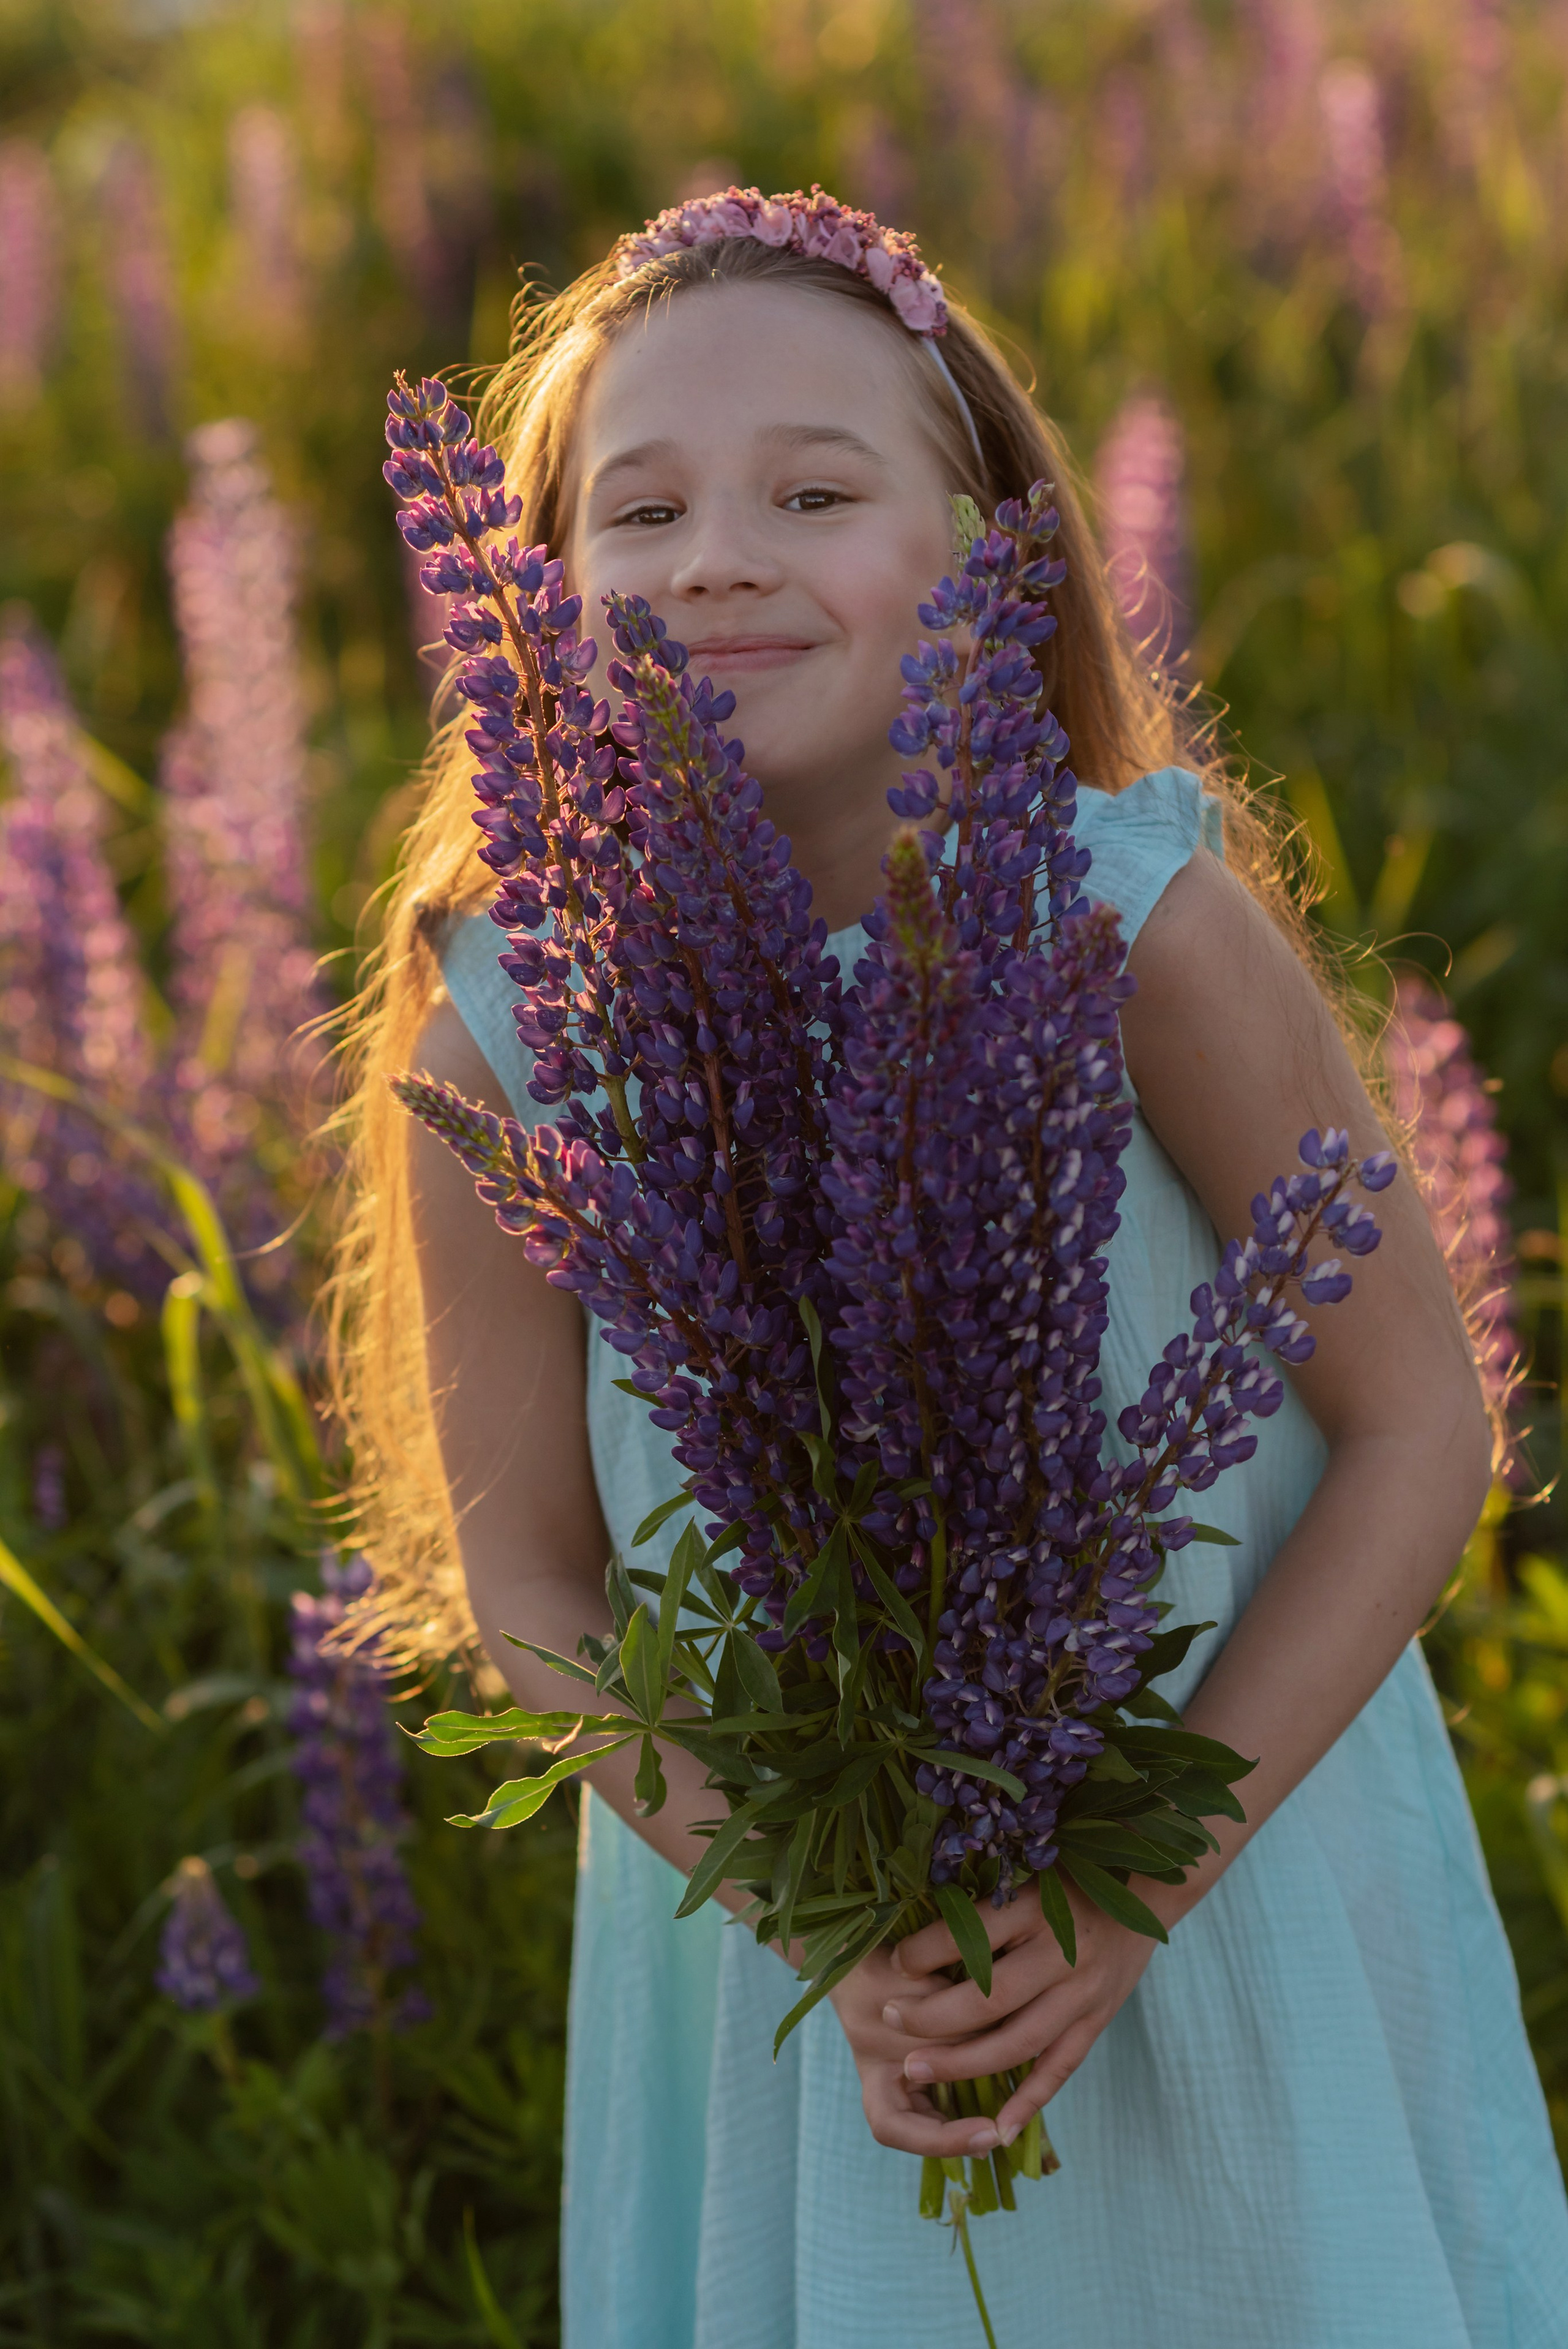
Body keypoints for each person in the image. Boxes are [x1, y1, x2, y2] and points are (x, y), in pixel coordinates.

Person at [331, 188, 1568, 2347]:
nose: (719, 559)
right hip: (802, 1964)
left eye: (814, 493)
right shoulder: (518, 1037)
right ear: (533, 596)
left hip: (1211, 1901)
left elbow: (1417, 1429)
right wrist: (822, 1905)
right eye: (642, 511)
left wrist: (1122, 1895)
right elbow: (526, 1580)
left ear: (994, 546)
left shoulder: (1128, 921)